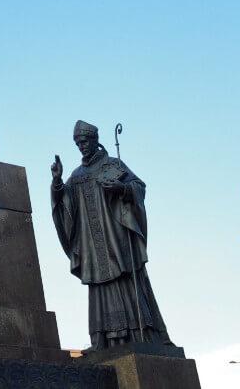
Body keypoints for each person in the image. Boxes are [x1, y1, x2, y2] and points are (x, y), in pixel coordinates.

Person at [51, 120, 172, 352]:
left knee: (126, 279)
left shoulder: (113, 164)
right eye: (77, 144)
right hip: (92, 244)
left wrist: (122, 189)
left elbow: (139, 187)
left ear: (95, 140)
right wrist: (57, 182)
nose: (81, 147)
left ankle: (140, 333)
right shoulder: (76, 176)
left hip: (116, 237)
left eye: (84, 141)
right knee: (99, 286)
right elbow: (64, 205)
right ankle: (101, 340)